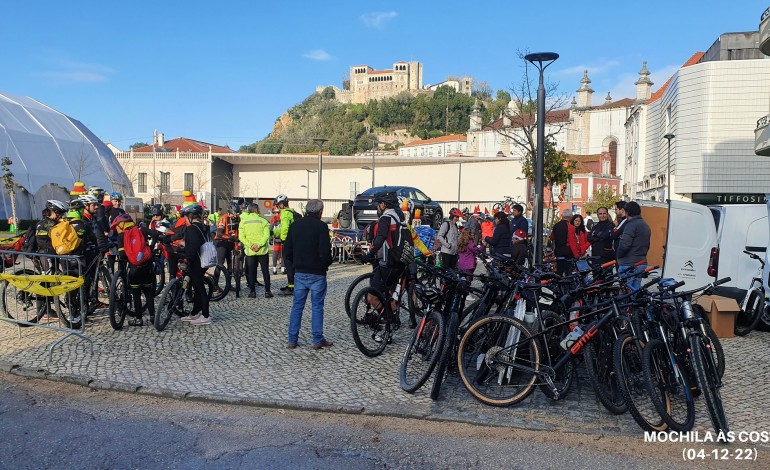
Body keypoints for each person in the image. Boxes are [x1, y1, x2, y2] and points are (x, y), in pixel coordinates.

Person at [284, 199, 333, 349]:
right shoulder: (321, 227)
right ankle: (317, 340)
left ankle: (292, 340)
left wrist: (296, 263)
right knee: (317, 306)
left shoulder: (295, 225)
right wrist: (326, 264)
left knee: (297, 306)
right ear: (320, 212)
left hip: (299, 272)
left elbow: (287, 251)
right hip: (317, 273)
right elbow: (325, 251)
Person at [112, 213, 161, 326]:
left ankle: (139, 319)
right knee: (148, 292)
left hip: (134, 269)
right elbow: (155, 233)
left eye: (117, 228)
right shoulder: (141, 230)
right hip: (147, 266)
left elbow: (123, 255)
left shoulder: (121, 236)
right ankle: (153, 317)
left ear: (121, 225)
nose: (117, 230)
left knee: (136, 293)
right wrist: (150, 247)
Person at [180, 204, 211, 325]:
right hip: (204, 260)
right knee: (197, 287)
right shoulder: (204, 226)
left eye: (186, 217)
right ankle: (195, 313)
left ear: (190, 216)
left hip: (196, 261)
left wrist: (186, 256)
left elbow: (193, 247)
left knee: (199, 288)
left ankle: (205, 315)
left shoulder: (192, 228)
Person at [239, 203, 273, 298]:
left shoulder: (243, 222)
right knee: (265, 271)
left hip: (250, 251)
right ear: (257, 210)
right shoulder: (264, 221)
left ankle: (252, 292)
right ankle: (267, 291)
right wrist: (259, 245)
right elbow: (266, 236)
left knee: (251, 271)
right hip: (262, 251)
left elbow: (241, 237)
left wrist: (251, 245)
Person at [616, 201, 651, 291]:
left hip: (628, 263)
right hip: (641, 262)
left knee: (626, 293)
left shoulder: (631, 225)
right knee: (635, 290)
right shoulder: (645, 224)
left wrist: (618, 256)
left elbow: (624, 245)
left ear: (627, 212)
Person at [275, 194, 301, 295]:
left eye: (278, 205)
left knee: (289, 265)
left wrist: (282, 238)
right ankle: (292, 285)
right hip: (295, 242)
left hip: (288, 242)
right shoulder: (292, 212)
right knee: (292, 265)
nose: (278, 207)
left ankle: (291, 288)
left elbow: (285, 228)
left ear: (282, 205)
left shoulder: (285, 213)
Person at [214, 201, 241, 292]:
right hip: (221, 242)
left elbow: (239, 230)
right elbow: (220, 234)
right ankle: (215, 285)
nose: (235, 216)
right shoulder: (223, 218)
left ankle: (228, 284)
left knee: (230, 264)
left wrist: (238, 239)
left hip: (231, 242)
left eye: (236, 214)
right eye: (233, 214)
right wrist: (230, 237)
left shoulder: (238, 218)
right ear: (229, 211)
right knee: (220, 263)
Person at [551, 209, 574, 275]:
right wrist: (576, 254)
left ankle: (558, 283)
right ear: (571, 218)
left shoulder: (556, 225)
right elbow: (572, 242)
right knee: (568, 271)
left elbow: (552, 237)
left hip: (558, 251)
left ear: (562, 216)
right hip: (567, 252)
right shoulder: (570, 227)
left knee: (559, 270)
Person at [269, 208, 283, 274]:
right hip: (283, 238)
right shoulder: (283, 218)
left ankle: (274, 269)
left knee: (275, 253)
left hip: (276, 238)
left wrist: (271, 238)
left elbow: (271, 229)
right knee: (283, 253)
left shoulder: (273, 219)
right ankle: (283, 268)